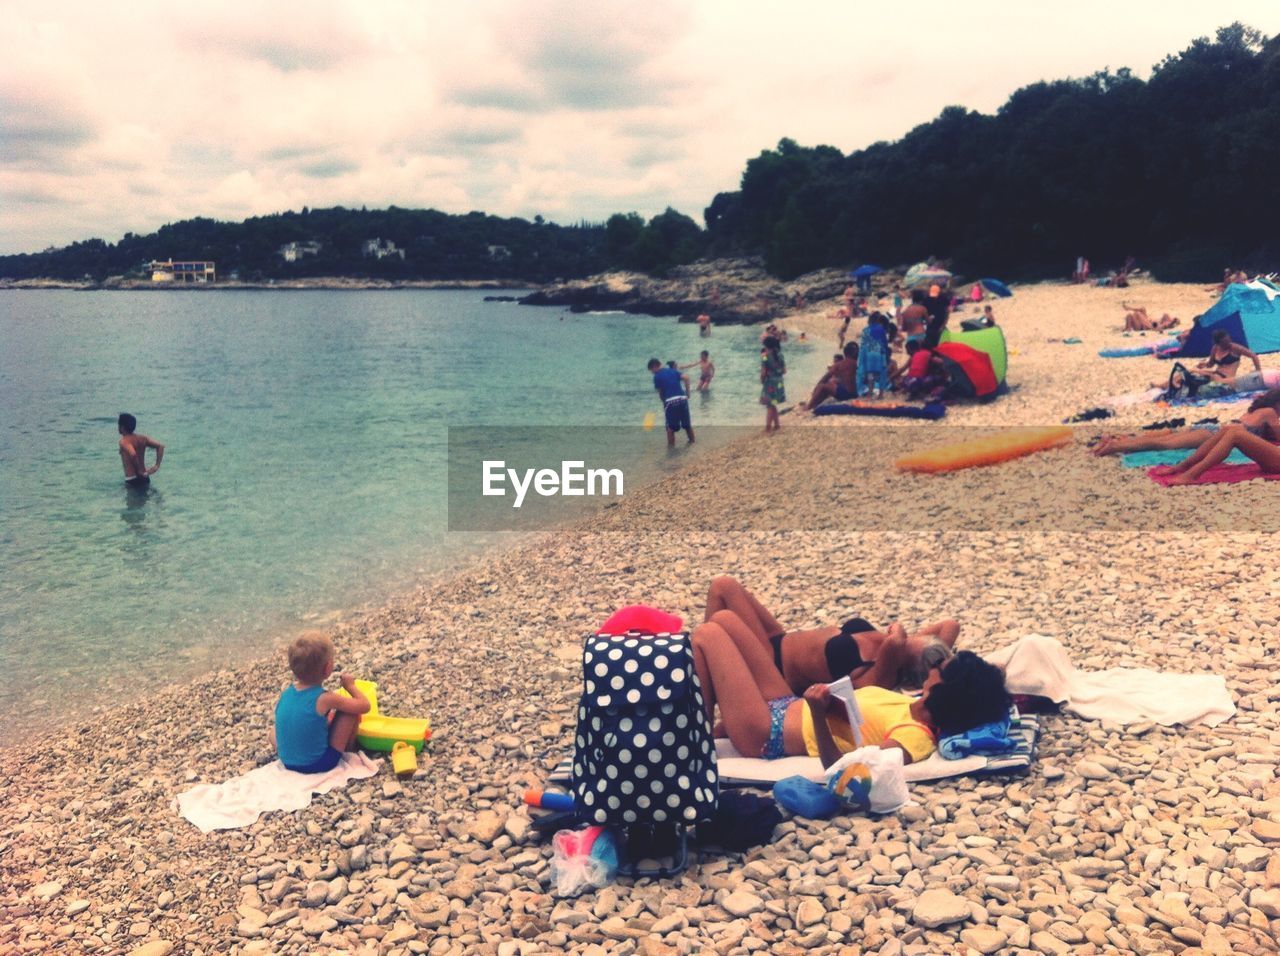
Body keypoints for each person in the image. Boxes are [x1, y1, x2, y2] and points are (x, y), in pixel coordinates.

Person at [690, 615, 1009, 767]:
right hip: (785, 704)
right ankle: (702, 731)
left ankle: (693, 749)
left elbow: (846, 770)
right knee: (726, 620)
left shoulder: (913, 736)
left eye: (944, 669)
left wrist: (817, 713)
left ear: (949, 690)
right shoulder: (910, 701)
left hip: (767, 734)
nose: (937, 666)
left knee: (707, 635)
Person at [703, 576, 960, 692]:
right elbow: (950, 625)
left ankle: (702, 682)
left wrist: (899, 638)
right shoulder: (897, 652)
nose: (910, 636)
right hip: (779, 638)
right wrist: (946, 664)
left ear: (905, 661)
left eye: (907, 644)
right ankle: (704, 672)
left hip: (774, 665)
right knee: (724, 587)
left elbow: (896, 641)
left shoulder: (879, 676)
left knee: (722, 588)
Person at [274, 632, 371, 774]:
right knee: (349, 712)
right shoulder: (326, 698)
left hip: (287, 761)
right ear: (327, 668)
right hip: (318, 763)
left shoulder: (286, 693)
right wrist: (350, 686)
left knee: (274, 730)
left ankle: (293, 751)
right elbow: (364, 706)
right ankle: (349, 749)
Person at [1092, 390, 1280, 457]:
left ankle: (1119, 443)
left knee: (1169, 439)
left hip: (1212, 429)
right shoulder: (1270, 413)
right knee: (1165, 444)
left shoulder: (1253, 411)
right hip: (1213, 434)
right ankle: (1116, 446)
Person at [1155, 391, 1280, 485]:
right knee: (1230, 429)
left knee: (1235, 432)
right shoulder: (1269, 412)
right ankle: (1184, 466)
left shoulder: (1267, 411)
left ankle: (1192, 474)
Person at [647, 358, 694, 446]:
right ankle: (693, 444)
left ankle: (671, 453)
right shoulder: (673, 371)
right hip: (682, 399)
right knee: (687, 425)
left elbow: (661, 393)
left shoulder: (657, 376)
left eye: (651, 371)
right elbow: (686, 378)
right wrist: (688, 393)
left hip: (670, 402)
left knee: (670, 429)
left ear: (654, 367)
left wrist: (663, 401)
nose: (652, 373)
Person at [803, 342, 859, 409]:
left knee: (823, 386)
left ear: (845, 353)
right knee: (831, 384)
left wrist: (815, 390)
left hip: (847, 394)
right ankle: (815, 404)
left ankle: (809, 407)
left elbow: (825, 378)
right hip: (857, 393)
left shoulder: (840, 364)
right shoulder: (858, 363)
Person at [118, 413, 164, 490]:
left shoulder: (124, 441)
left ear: (122, 427)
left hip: (132, 479)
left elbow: (133, 454)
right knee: (145, 501)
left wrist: (138, 470)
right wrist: (156, 466)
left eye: (118, 425)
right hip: (145, 477)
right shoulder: (142, 438)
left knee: (133, 502)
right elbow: (160, 446)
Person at [1196, 329, 1260, 382]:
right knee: (1196, 373)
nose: (1228, 343)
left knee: (1198, 372)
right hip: (1216, 374)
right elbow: (1210, 365)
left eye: (1229, 340)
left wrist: (1258, 371)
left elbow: (1253, 355)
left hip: (1227, 378)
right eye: (1225, 342)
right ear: (1219, 343)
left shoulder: (1235, 348)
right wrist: (1203, 364)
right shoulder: (1215, 348)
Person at [858, 314, 891, 397]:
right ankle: (880, 394)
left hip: (868, 354)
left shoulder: (865, 330)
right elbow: (884, 343)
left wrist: (862, 359)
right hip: (879, 353)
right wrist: (886, 356)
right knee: (882, 373)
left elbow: (862, 346)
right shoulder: (881, 329)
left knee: (870, 375)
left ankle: (869, 394)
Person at [760, 336, 786, 433]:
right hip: (779, 381)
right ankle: (777, 425)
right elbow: (784, 371)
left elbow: (763, 373)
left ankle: (768, 427)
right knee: (773, 403)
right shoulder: (780, 354)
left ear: (766, 345)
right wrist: (776, 371)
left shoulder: (765, 356)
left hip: (770, 382)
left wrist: (762, 380)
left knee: (769, 405)